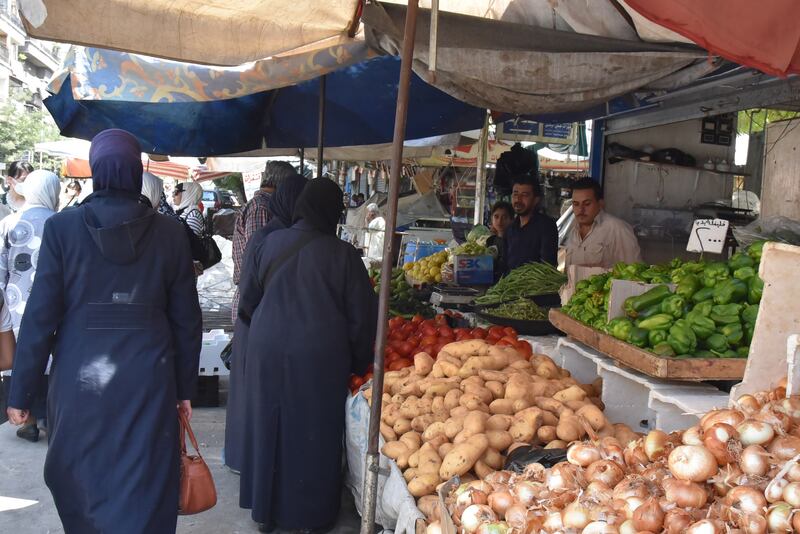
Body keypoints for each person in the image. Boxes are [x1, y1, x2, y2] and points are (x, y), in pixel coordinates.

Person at [5, 129, 202, 534]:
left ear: (96, 170)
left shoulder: (62, 228)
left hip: (81, 373)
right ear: (135, 169)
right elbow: (187, 319)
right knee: (145, 473)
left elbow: (41, 316)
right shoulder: (170, 233)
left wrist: (20, 391)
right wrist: (184, 389)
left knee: (81, 469)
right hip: (150, 374)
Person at [237, 178, 376, 533]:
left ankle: (266, 512)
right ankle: (310, 517)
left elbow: (247, 302)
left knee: (270, 425)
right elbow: (363, 319)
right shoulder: (343, 255)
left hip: (266, 347)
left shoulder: (267, 243)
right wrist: (361, 364)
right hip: (318, 354)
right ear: (332, 211)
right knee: (314, 431)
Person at [224, 172, 308, 474]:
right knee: (252, 399)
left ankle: (244, 459)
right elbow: (251, 290)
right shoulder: (271, 234)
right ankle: (246, 460)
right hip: (257, 322)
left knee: (248, 397)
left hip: (256, 321)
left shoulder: (275, 231)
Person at [0, 169, 61, 442]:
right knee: (48, 353)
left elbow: (1, 265)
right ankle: (49, 414)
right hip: (51, 300)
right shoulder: (62, 223)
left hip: (14, 300)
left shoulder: (9, 223)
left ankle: (28, 420)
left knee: (20, 352)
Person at [231, 160, 296, 322]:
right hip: (255, 300)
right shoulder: (261, 208)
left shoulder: (265, 206)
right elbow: (260, 257)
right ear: (281, 185)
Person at [565, 178, 642, 269]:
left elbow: (634, 271)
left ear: (600, 204)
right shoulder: (573, 229)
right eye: (576, 204)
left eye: (587, 204)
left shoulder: (618, 229)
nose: (581, 209)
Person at [504, 174, 558, 272]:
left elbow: (548, 267)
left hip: (535, 286)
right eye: (515, 194)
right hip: (510, 285)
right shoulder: (510, 228)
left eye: (524, 195)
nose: (518, 199)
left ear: (536, 199)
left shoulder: (546, 226)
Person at [487, 201, 513, 280]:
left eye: (504, 217)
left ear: (511, 220)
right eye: (496, 216)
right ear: (492, 218)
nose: (499, 221)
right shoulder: (490, 241)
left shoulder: (514, 241)